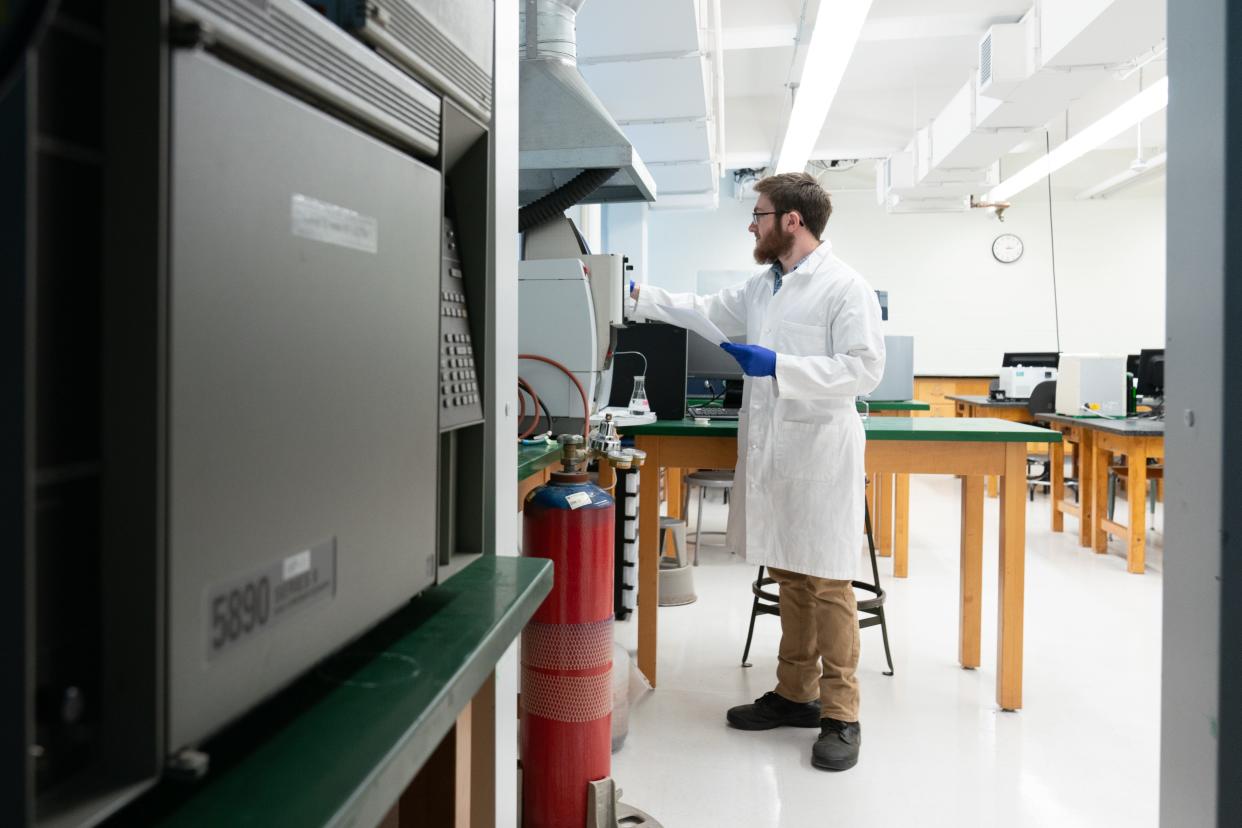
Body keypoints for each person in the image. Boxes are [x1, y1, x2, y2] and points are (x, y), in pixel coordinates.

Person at [628, 172, 885, 771]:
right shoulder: (764, 285)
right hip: (775, 450)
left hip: (820, 449)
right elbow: (700, 309)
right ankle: (795, 694)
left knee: (827, 581)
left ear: (792, 221)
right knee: (791, 575)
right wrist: (632, 293)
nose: (752, 223)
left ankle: (842, 715)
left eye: (760, 214)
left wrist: (781, 366)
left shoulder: (845, 287)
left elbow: (865, 368)